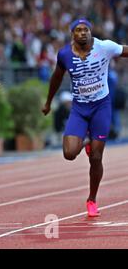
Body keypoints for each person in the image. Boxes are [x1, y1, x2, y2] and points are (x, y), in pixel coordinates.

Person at [42, 18, 128, 217]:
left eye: (86, 29)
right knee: (69, 153)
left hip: (101, 106)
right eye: (78, 30)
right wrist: (48, 102)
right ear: (72, 34)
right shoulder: (64, 54)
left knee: (96, 157)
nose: (83, 33)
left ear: (91, 31)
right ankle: (87, 139)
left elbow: (125, 50)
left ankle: (92, 200)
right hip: (79, 108)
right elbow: (56, 77)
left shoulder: (105, 47)